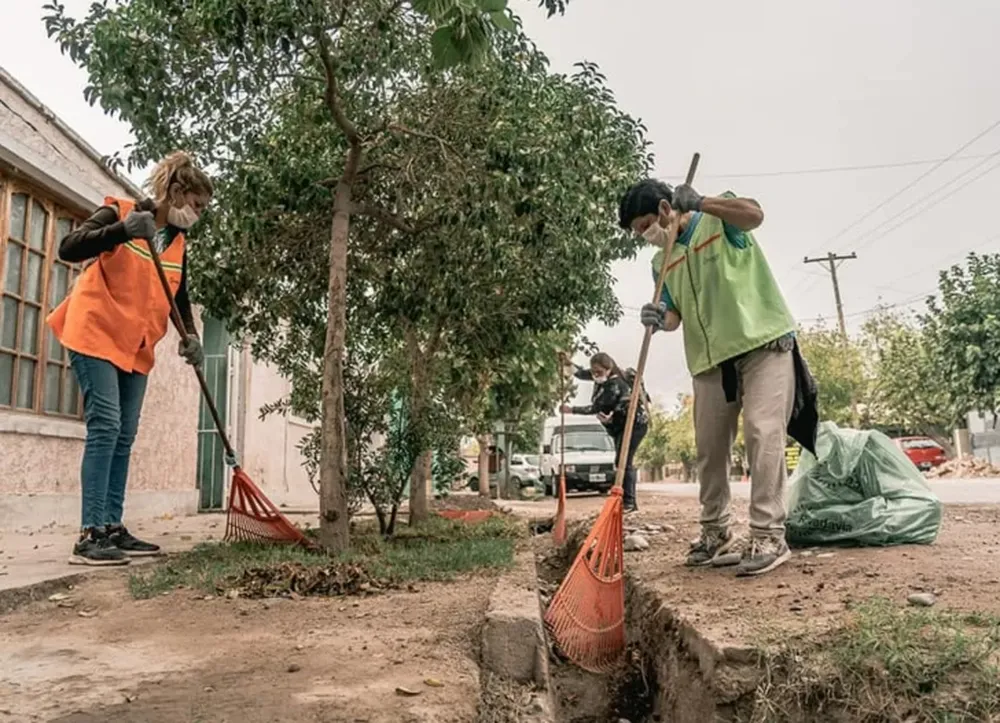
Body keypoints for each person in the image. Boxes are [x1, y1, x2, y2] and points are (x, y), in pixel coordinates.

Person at [618, 179, 817, 577]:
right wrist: (660, 319)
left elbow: (755, 215)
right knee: (709, 450)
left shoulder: (718, 218)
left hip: (762, 344)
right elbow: (675, 316)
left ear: (663, 209)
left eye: (643, 226)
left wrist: (704, 203)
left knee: (763, 433)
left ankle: (768, 535)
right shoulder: (662, 262)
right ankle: (716, 532)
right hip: (710, 362)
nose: (644, 237)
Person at [46, 152, 213, 566]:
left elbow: (179, 295)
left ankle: (111, 527)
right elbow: (69, 247)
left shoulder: (176, 243)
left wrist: (190, 336)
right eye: (197, 205)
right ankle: (89, 534)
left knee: (125, 435)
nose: (199, 215)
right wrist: (121, 231)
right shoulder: (119, 211)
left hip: (136, 345)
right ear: (175, 192)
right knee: (106, 426)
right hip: (95, 332)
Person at [560, 352, 649, 513]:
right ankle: (625, 501)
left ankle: (629, 502)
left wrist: (571, 409)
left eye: (599, 372)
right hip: (619, 425)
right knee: (620, 461)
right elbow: (581, 373)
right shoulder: (600, 375)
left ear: (609, 370)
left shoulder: (615, 384)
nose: (595, 375)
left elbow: (596, 408)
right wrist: (568, 363)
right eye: (594, 372)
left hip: (634, 425)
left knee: (624, 461)